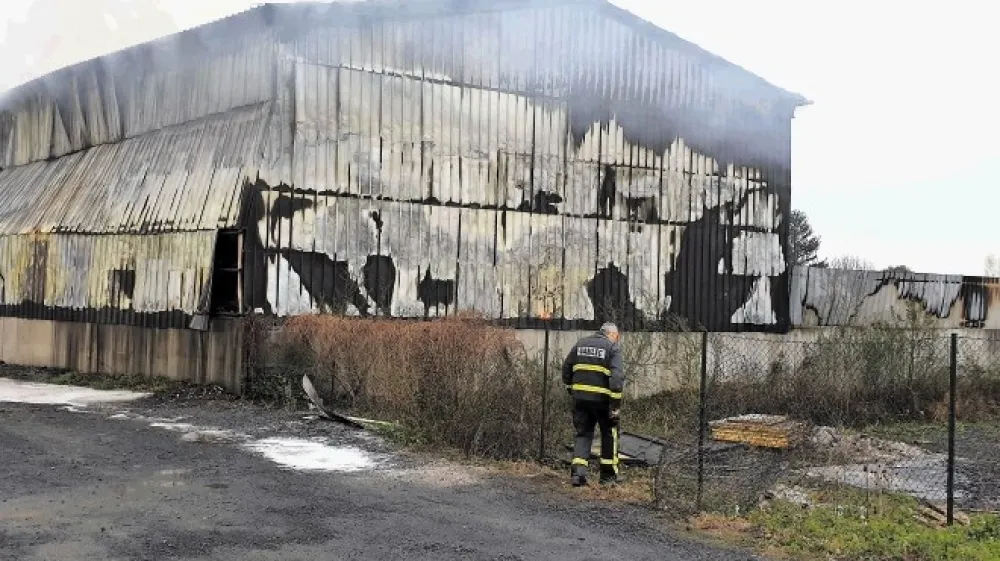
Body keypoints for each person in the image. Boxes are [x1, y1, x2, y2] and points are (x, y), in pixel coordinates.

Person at [561, 322, 625, 487]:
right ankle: (608, 477)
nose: (617, 340)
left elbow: (566, 368)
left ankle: (578, 475)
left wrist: (571, 389)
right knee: (609, 434)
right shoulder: (612, 349)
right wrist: (615, 405)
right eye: (617, 337)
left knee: (583, 433)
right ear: (611, 334)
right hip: (603, 401)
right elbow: (617, 379)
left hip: (580, 399)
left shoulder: (581, 344)